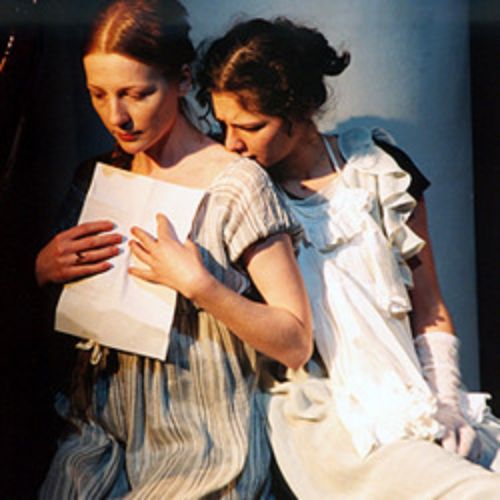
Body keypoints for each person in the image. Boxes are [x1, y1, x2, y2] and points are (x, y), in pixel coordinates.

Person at [197, 17, 500, 498]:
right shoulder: (244, 197)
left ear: (302, 109)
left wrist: (446, 402)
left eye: (251, 126)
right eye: (223, 125)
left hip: (414, 397)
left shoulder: (380, 172)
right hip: (329, 414)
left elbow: (430, 308)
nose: (232, 142)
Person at [36, 3, 313, 498]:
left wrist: (202, 287)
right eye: (98, 94)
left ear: (183, 79)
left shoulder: (236, 184)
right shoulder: (97, 176)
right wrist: (42, 271)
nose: (116, 116)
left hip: (202, 443)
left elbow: (295, 341)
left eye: (137, 94)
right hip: (96, 438)